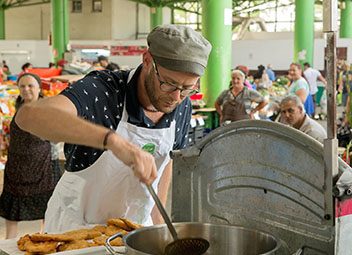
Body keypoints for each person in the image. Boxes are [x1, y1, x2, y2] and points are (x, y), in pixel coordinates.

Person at [15, 24, 212, 233]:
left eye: (188, 88)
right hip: (74, 232)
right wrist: (114, 142)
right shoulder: (102, 91)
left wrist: (158, 224)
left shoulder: (182, 106)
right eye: (168, 83)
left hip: (134, 232)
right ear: (147, 61)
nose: (176, 97)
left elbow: (166, 162)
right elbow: (29, 117)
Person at [0, 73, 62, 239]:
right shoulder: (17, 106)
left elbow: (56, 137)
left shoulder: (48, 109)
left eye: (30, 86)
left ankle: (45, 240)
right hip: (17, 168)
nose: (26, 89)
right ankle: (8, 246)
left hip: (44, 168)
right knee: (12, 213)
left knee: (48, 212)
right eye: (22, 86)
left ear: (39, 88)